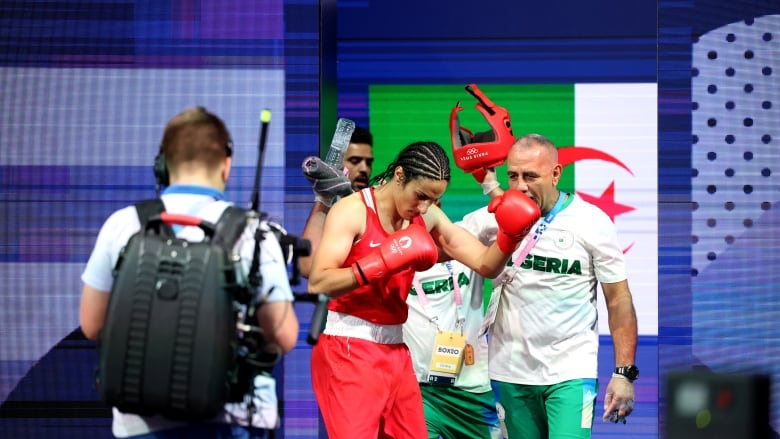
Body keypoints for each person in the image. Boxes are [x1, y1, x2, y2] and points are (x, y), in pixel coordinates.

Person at [79, 106, 299, 438]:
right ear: (226, 166)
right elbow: (284, 336)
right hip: (233, 423)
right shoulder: (255, 233)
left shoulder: (122, 225)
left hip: (141, 423)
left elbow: (92, 324)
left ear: (163, 164)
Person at [306, 140, 541, 438]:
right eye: (420, 196)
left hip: (396, 352)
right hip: (348, 347)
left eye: (433, 200)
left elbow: (485, 263)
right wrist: (380, 261)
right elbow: (318, 282)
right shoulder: (352, 210)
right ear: (400, 175)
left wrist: (510, 238)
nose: (424, 207)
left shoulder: (424, 215)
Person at [475, 133, 639, 439]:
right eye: (513, 176)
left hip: (570, 372)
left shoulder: (592, 222)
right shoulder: (492, 219)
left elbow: (618, 300)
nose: (521, 186)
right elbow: (438, 234)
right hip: (509, 372)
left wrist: (623, 372)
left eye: (530, 176)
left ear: (556, 174)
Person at [403, 205, 504, 439]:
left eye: (429, 200)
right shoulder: (393, 250)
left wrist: (488, 182)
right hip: (419, 392)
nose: (420, 209)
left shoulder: (469, 232)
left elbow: (517, 216)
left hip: (474, 394)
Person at [299, 126, 374, 278]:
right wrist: (324, 197)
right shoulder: (328, 208)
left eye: (368, 162)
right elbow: (307, 268)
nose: (364, 169)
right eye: (355, 161)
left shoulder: (376, 205)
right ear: (336, 164)